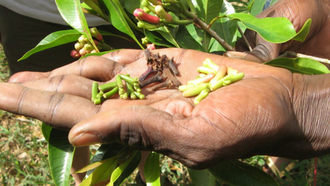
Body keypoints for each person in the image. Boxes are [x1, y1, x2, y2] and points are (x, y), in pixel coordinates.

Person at [0, 0, 330, 177]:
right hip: (27, 9)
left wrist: (301, 102)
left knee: (133, 98)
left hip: (123, 14)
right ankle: (80, 173)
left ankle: (146, 172)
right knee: (70, 111)